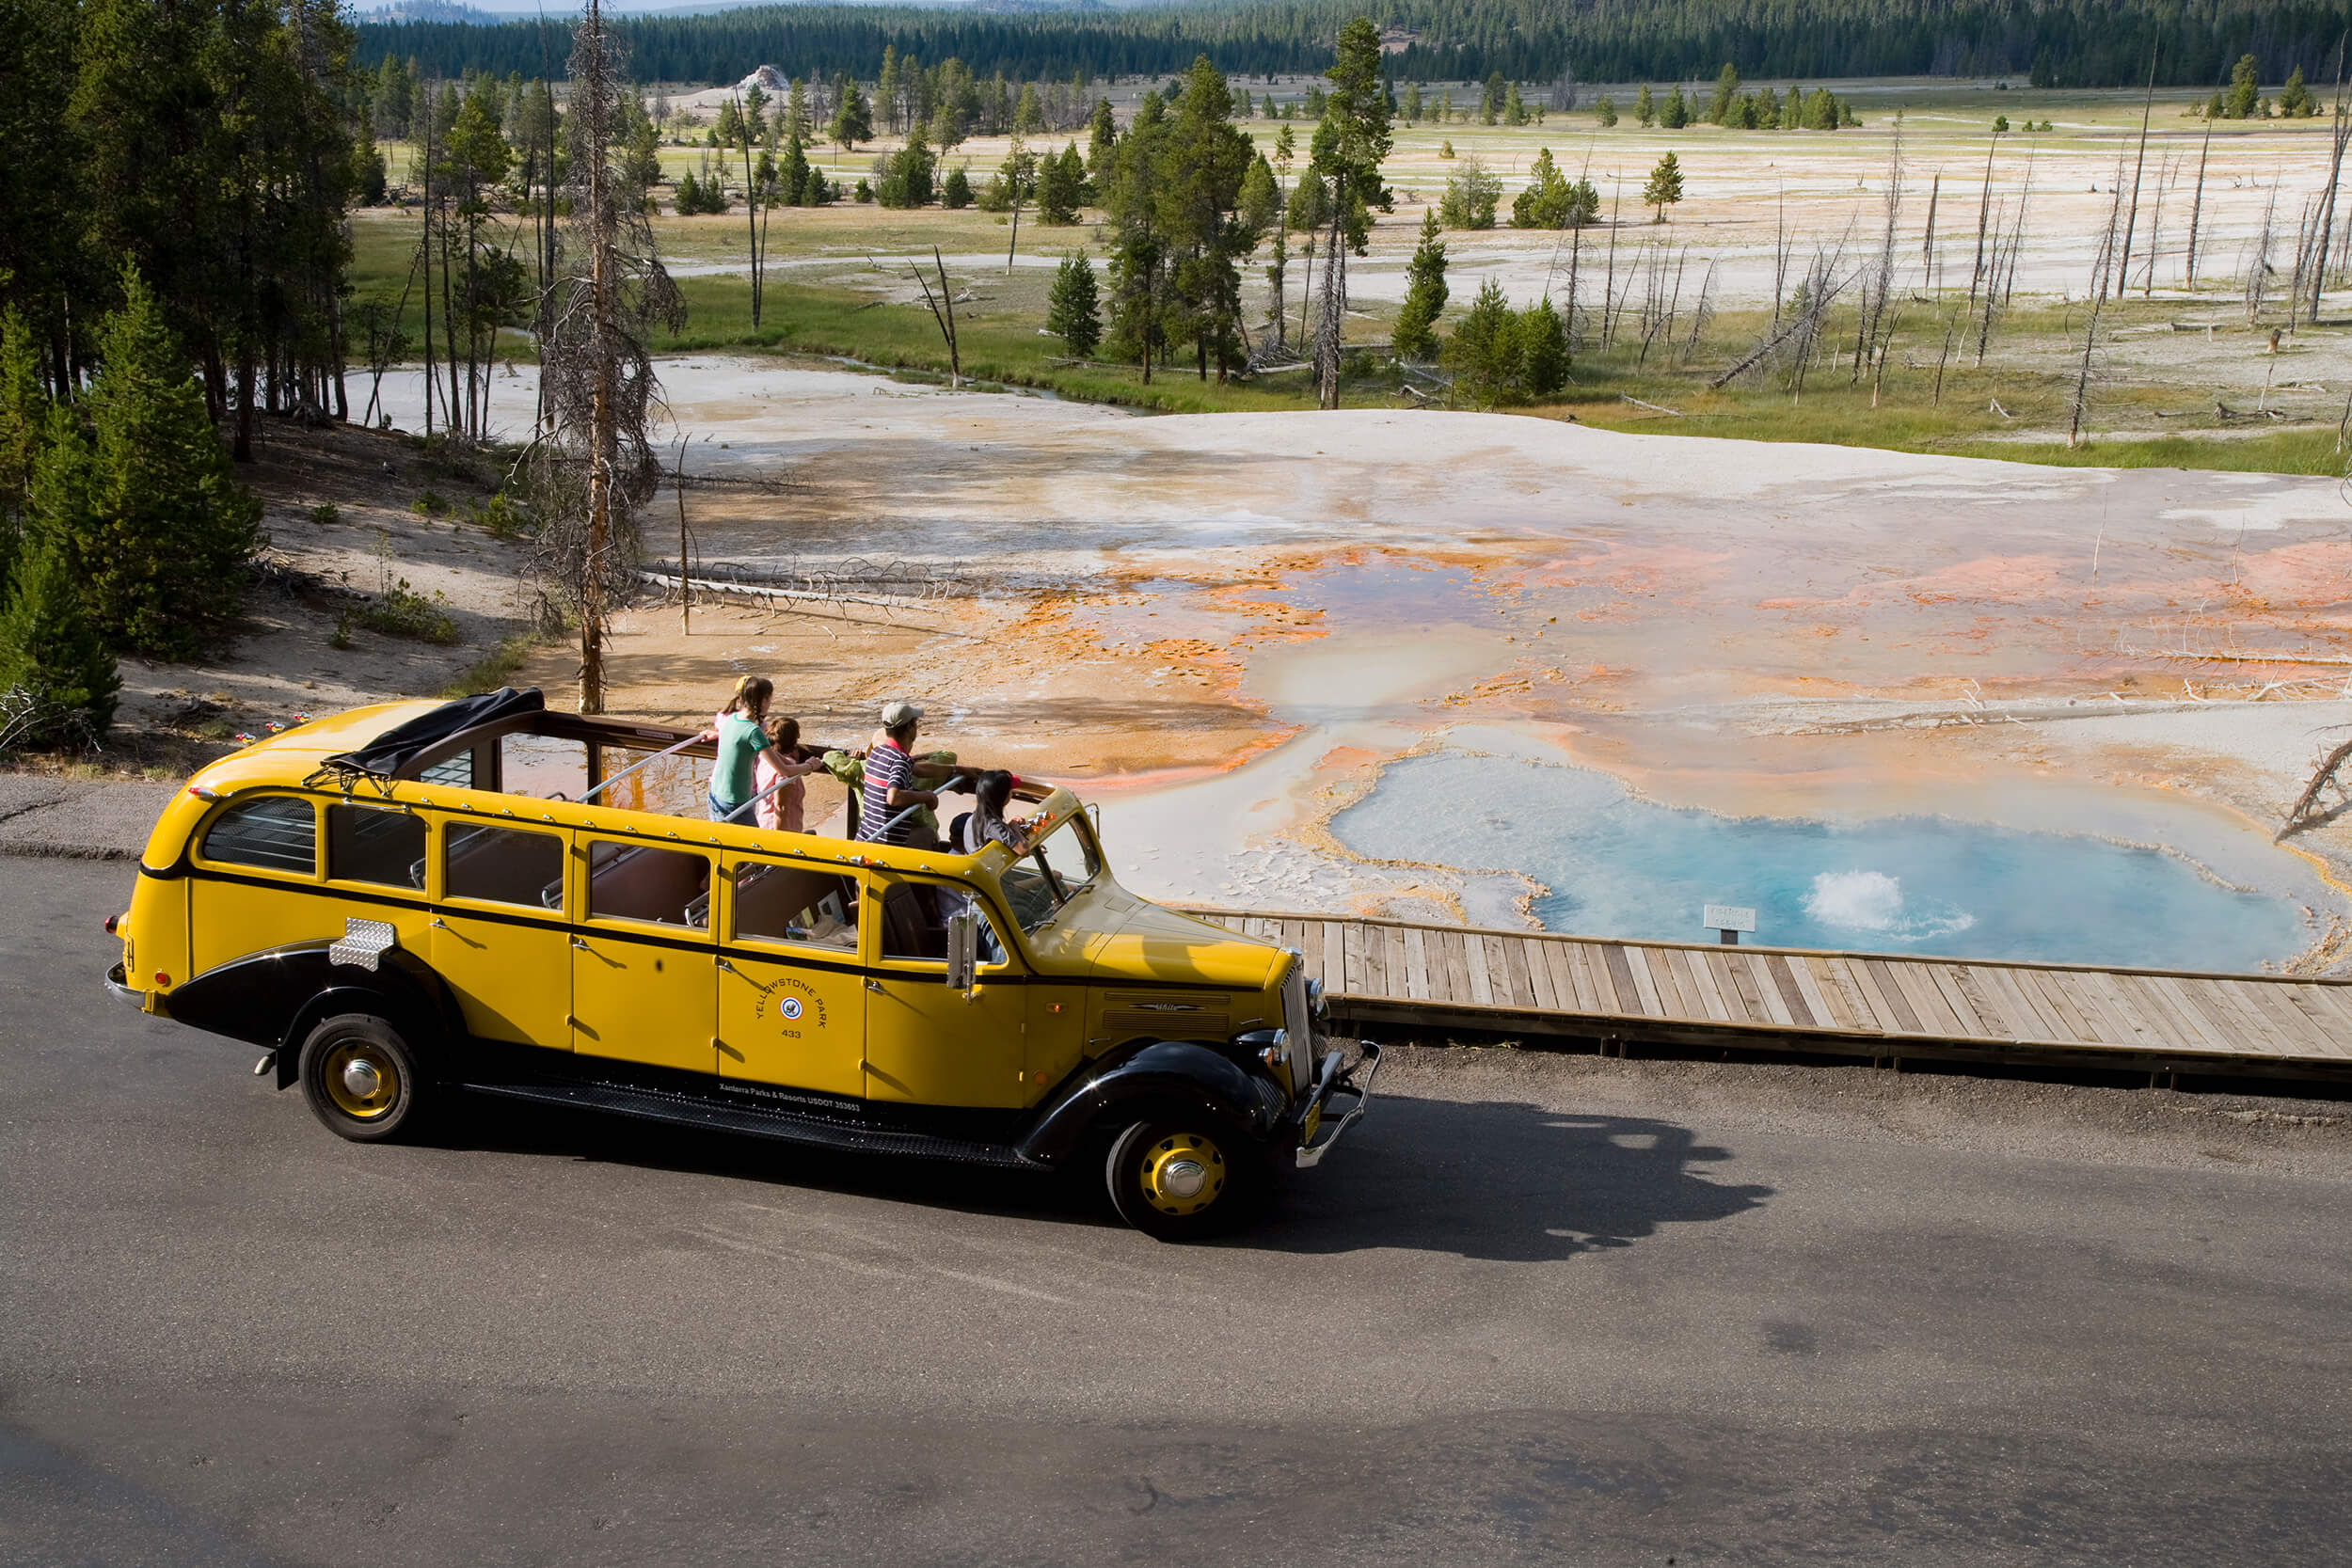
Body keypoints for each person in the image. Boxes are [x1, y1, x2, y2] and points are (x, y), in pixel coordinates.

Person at [704, 676, 820, 824]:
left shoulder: (730, 719)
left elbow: (766, 754)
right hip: (735, 804)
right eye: (769, 701)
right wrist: (809, 765)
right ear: (763, 700)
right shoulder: (753, 731)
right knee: (753, 846)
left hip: (715, 795)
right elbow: (784, 771)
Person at [856, 699, 971, 846]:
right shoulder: (899, 760)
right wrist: (926, 797)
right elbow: (893, 797)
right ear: (910, 727)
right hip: (888, 843)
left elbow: (919, 769)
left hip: (866, 837)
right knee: (928, 833)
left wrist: (959, 770)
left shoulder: (877, 753)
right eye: (915, 723)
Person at [950, 769, 1031, 854]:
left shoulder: (975, 818)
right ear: (1002, 796)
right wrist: (1015, 828)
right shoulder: (992, 824)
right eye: (1010, 791)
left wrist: (1007, 826)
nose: (1012, 793)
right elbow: (1023, 850)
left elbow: (992, 833)